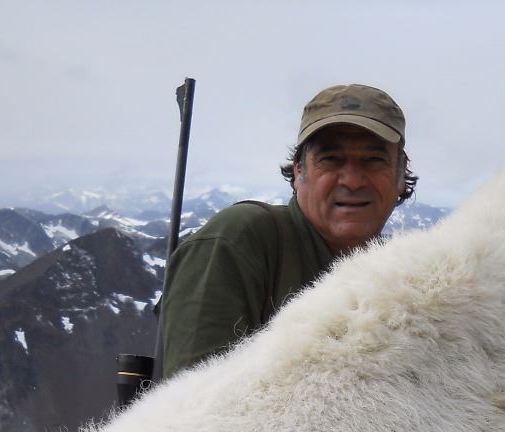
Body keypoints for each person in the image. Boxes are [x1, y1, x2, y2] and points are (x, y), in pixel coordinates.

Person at [156, 83, 417, 378]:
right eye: (331, 159)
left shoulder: (404, 279)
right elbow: (196, 398)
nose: (353, 181)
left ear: (400, 174)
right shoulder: (236, 242)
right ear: (298, 170)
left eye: (374, 160)